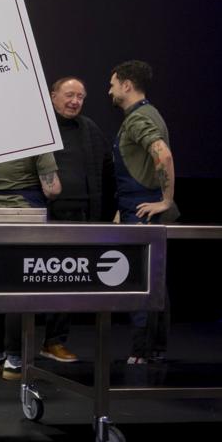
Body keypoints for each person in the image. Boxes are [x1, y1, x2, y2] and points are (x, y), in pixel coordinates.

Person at [40, 75, 116, 363]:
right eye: (69, 95)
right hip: (44, 216)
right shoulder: (39, 128)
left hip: (81, 217)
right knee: (32, 280)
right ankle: (12, 349)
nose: (75, 101)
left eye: (80, 97)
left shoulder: (89, 129)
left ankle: (54, 341)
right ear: (52, 95)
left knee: (66, 280)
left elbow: (109, 168)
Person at [109, 60, 178, 363]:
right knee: (155, 281)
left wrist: (165, 200)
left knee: (142, 282)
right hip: (133, 206)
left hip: (143, 209)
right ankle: (154, 349)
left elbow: (162, 154)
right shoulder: (147, 113)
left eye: (112, 84)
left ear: (126, 85)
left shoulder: (138, 119)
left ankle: (142, 351)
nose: (108, 90)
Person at [0, 153, 60, 380]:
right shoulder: (36, 137)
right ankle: (14, 359)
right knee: (18, 288)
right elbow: (53, 189)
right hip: (25, 216)